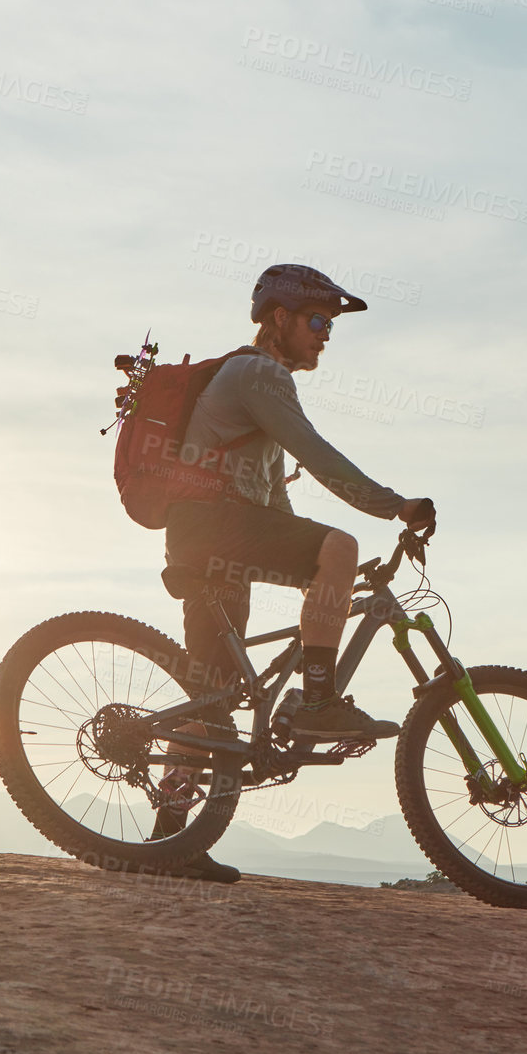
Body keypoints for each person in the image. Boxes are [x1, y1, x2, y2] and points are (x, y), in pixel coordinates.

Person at [154, 263, 432, 882]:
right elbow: (319, 455)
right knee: (340, 545)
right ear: (277, 319)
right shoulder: (260, 373)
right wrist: (395, 506)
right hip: (214, 528)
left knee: (213, 696)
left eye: (329, 325)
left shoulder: (251, 381)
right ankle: (316, 701)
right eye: (315, 320)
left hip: (203, 539)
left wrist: (323, 581)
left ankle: (169, 843)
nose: (325, 333)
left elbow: (274, 505)